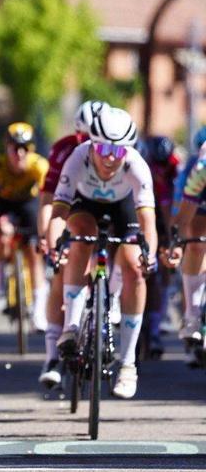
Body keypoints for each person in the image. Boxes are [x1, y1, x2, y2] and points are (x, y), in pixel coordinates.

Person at [47, 107, 157, 399]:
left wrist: (151, 255)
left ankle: (128, 364)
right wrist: (55, 246)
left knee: (134, 267)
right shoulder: (78, 158)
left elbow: (148, 222)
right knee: (81, 238)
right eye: (104, 148)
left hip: (125, 209)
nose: (110, 157)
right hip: (85, 204)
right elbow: (59, 211)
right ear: (92, 144)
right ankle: (71, 326)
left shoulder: (137, 166)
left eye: (119, 151)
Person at [36, 100, 106, 387]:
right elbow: (48, 198)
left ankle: (107, 314)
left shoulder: (114, 148)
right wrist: (47, 237)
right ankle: (52, 355)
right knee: (61, 272)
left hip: (110, 206)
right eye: (83, 138)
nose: (88, 144)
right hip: (72, 206)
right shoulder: (65, 150)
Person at [0, 122, 49, 330]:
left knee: (33, 252)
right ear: (7, 147)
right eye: (15, 148)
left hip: (28, 205)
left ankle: (39, 310)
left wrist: (44, 230)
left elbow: (47, 198)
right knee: (2, 233)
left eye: (25, 148)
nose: (19, 153)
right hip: (5, 203)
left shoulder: (39, 166)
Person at [138, 135, 179, 359]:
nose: (161, 170)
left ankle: (154, 329)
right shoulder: (143, 166)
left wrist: (173, 238)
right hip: (142, 212)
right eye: (158, 166)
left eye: (165, 166)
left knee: (160, 273)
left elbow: (171, 204)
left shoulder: (176, 166)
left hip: (166, 216)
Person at [167, 139, 206, 363]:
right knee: (195, 241)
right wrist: (178, 245)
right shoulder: (200, 171)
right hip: (199, 197)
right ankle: (192, 314)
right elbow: (182, 220)